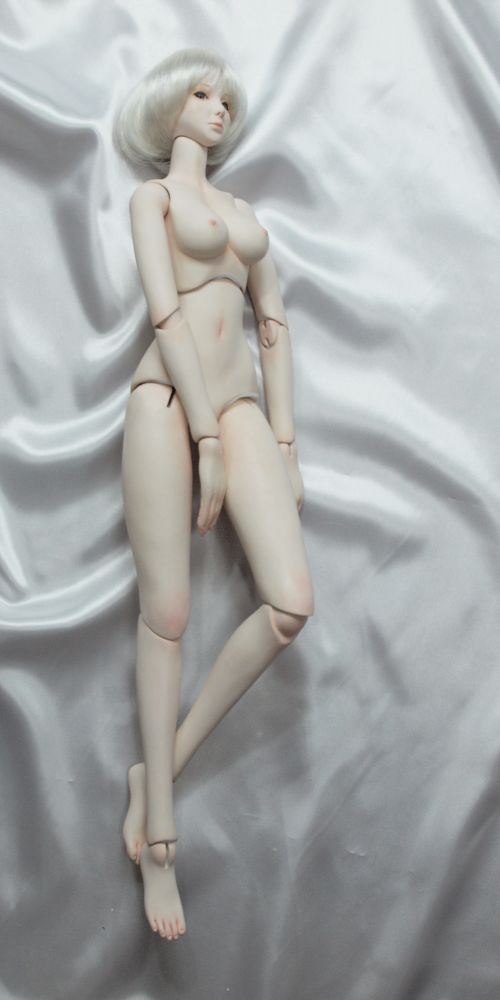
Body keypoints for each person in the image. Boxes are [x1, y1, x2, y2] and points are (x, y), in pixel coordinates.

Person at [113, 46, 315, 941]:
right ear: (169, 108)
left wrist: (285, 442)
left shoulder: (244, 214)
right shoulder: (153, 200)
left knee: (290, 605)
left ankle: (158, 771)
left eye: (225, 97)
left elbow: (273, 326)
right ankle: (160, 840)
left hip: (240, 410)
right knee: (167, 612)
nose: (217, 107)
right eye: (201, 93)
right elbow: (165, 313)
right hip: (169, 400)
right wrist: (202, 438)